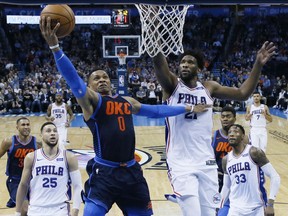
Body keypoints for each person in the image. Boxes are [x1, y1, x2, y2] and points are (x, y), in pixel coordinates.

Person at [40, 16, 194, 216]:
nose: (102, 79)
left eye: (105, 76)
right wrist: (55, 48)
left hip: (131, 173)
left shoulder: (127, 101)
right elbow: (74, 81)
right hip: (104, 174)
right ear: (89, 86)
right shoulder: (91, 101)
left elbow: (156, 111)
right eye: (96, 78)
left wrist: (187, 108)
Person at [152, 41, 276, 215]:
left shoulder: (209, 88)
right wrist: (153, 33)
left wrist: (258, 64)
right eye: (182, 62)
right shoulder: (172, 85)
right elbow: (159, 63)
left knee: (210, 213)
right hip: (180, 162)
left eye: (190, 62)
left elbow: (242, 93)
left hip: (206, 161)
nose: (185, 65)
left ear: (199, 69)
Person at [15, 122, 82, 216]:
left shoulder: (69, 157)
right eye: (48, 131)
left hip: (60, 209)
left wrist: (75, 210)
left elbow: (78, 186)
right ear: (41, 135)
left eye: (55, 131)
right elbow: (23, 185)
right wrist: (17, 212)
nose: (52, 133)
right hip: (36, 209)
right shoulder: (31, 157)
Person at [220, 124, 280, 216]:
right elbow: (226, 186)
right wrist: (219, 206)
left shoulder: (254, 152)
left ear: (243, 136)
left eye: (236, 132)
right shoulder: (226, 160)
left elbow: (275, 176)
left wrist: (270, 204)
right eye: (230, 132)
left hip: (256, 208)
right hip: (235, 209)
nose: (232, 134)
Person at [211, 106, 249, 216]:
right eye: (223, 116)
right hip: (217, 178)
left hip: (235, 177)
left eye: (228, 116)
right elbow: (207, 157)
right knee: (216, 208)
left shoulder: (243, 138)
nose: (225, 119)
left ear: (234, 118)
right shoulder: (214, 135)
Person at [0, 117, 41, 213]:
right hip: (15, 180)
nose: (26, 127)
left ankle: (14, 199)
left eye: (28, 124)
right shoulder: (8, 142)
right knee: (25, 210)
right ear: (17, 127)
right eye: (23, 125)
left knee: (36, 208)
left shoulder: (38, 143)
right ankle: (14, 197)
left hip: (32, 180)